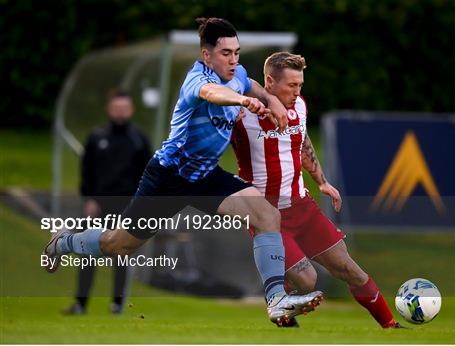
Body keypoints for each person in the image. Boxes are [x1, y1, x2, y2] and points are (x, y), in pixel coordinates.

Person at [43, 18, 322, 324]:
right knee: (117, 245)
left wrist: (269, 98)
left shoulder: (238, 74)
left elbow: (249, 82)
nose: (233, 60)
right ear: (207, 55)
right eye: (225, 53)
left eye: (237, 52)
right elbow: (212, 94)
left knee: (268, 215)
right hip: (168, 177)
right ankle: (64, 242)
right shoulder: (196, 80)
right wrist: (243, 100)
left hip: (204, 177)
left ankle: (276, 301)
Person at [231, 52, 402, 328]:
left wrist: (321, 180)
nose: (297, 91)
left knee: (350, 269)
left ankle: (391, 326)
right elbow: (234, 78)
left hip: (301, 207)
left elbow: (302, 143)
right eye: (292, 85)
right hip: (266, 214)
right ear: (270, 82)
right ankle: (280, 307)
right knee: (307, 278)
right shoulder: (241, 113)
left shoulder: (299, 106)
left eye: (300, 84)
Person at [64, 89, 152, 315]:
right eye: (117, 108)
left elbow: (148, 174)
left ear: (131, 109)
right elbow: (87, 172)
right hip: (98, 206)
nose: (121, 112)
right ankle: (80, 304)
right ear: (109, 109)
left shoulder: (139, 139)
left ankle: (117, 304)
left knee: (120, 255)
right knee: (87, 253)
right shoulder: (96, 137)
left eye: (125, 108)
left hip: (127, 207)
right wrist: (89, 199)